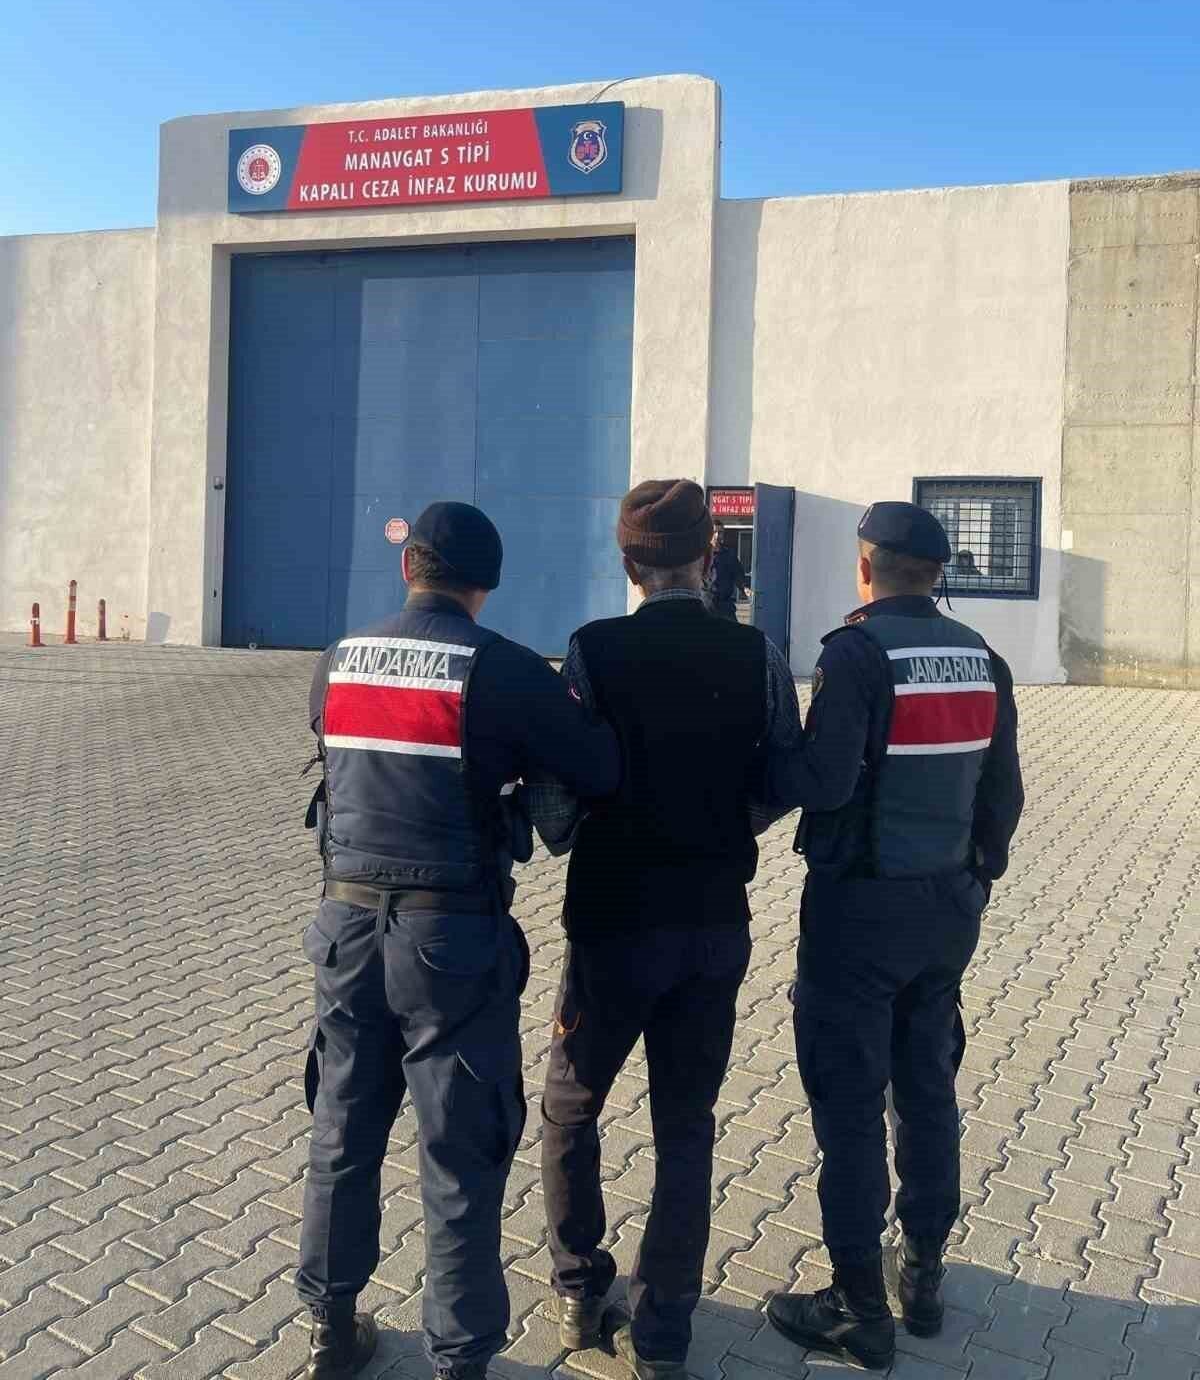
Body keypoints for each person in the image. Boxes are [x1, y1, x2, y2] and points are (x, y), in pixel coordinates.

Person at [296, 502, 620, 1380]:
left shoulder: (339, 658)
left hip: (344, 931)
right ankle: (459, 1359)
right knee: (460, 1154)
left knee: (341, 1132)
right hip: (450, 944)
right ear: (487, 585)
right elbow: (597, 768)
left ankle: (330, 1328)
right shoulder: (503, 668)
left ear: (410, 569)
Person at [528, 479, 804, 1380]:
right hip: (713, 923)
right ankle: (664, 1335)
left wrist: (573, 829)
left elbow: (556, 799)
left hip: (611, 926)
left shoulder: (593, 651)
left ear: (627, 563)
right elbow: (782, 777)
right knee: (686, 1126)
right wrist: (726, 825)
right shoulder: (757, 653)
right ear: (709, 555)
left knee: (572, 1105)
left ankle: (579, 1287)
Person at [762, 502, 1023, 1372]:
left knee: (848, 1104)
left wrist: (770, 763)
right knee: (927, 1089)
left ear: (866, 566)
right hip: (947, 910)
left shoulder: (857, 653)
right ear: (937, 574)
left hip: (861, 914)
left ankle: (857, 1306)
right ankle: (923, 1274)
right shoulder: (982, 657)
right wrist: (976, 878)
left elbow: (827, 781)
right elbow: (1003, 793)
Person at [706, 526, 750, 621]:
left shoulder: (729, 555)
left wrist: (744, 588)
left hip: (725, 605)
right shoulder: (702, 554)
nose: (717, 535)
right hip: (707, 605)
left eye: (720, 532)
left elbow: (738, 574)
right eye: (714, 532)